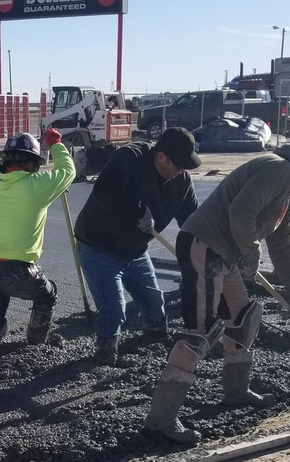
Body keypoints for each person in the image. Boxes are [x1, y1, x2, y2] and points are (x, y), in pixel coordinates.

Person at [144, 140, 290, 443]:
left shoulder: (287, 188)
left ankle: (236, 392)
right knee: (201, 331)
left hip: (224, 253)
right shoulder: (278, 169)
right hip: (205, 244)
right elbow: (241, 212)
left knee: (243, 317)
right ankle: (161, 419)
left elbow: (281, 241)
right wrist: (251, 253)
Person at [74, 127, 201, 366]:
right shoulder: (130, 158)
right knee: (114, 310)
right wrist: (137, 209)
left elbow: (192, 221)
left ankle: (155, 343)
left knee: (154, 302)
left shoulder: (181, 181)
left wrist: (210, 244)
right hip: (98, 246)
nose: (181, 171)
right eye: (178, 165)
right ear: (161, 156)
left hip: (135, 250)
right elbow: (105, 190)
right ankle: (104, 356)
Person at [0, 128, 75, 369]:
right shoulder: (36, 187)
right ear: (33, 164)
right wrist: (56, 144)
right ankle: (35, 343)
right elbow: (67, 171)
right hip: (15, 270)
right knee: (47, 294)